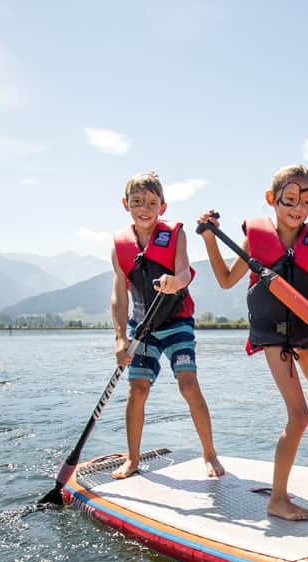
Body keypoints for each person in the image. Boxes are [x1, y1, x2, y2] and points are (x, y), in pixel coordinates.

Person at [198, 164, 308, 521]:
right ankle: (278, 499)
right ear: (272, 200)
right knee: (299, 415)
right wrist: (211, 239)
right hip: (275, 337)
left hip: (307, 332)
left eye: (306, 202)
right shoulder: (256, 240)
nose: (298, 209)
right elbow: (226, 280)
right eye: (290, 200)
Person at [110, 171, 224, 480]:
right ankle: (132, 459)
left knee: (188, 384)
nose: (144, 209)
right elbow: (118, 296)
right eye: (137, 203)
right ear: (126, 205)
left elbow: (185, 272)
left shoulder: (176, 235)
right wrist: (121, 338)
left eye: (151, 203)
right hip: (142, 327)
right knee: (137, 390)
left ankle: (209, 454)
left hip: (177, 323)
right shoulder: (120, 246)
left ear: (163, 206)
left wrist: (175, 282)